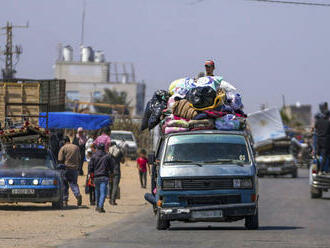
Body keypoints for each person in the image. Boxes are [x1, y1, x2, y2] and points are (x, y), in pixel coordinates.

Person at [88, 143, 115, 213]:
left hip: (96, 176)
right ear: (104, 148)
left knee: (97, 191)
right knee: (103, 192)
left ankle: (97, 206)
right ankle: (100, 206)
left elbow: (90, 167)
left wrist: (91, 174)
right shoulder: (107, 156)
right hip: (104, 176)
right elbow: (112, 166)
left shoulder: (94, 156)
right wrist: (111, 173)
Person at [58, 136, 82, 207]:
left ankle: (65, 200)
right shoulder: (76, 147)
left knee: (65, 185)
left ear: (64, 141)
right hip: (74, 169)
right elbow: (80, 158)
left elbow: (60, 159)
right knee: (74, 184)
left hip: (66, 168)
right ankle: (78, 195)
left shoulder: (63, 148)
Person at [314, 102, 330, 175]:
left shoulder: (318, 122)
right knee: (324, 156)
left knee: (317, 156)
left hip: (318, 142)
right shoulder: (328, 123)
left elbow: (315, 130)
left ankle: (319, 169)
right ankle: (321, 170)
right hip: (325, 142)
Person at [108, 141, 125, 205]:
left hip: (109, 171)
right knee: (115, 186)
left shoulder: (108, 152)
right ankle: (113, 200)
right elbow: (123, 161)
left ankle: (110, 199)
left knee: (110, 185)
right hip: (117, 171)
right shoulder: (119, 152)